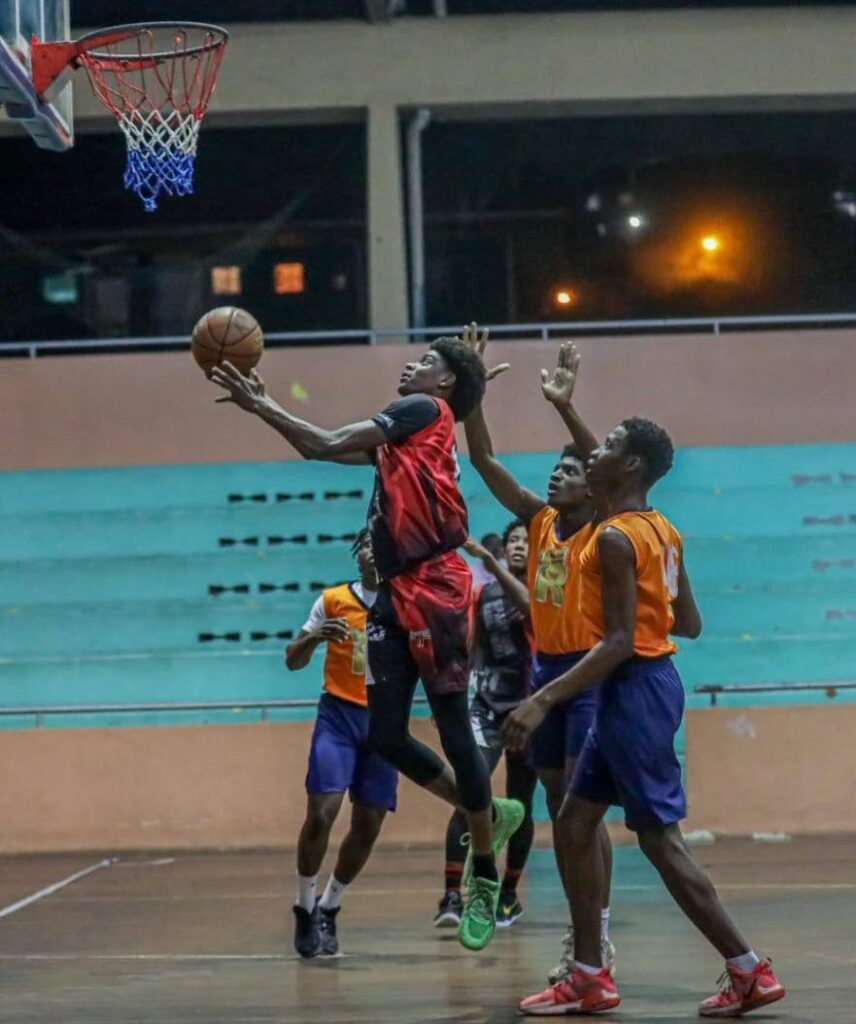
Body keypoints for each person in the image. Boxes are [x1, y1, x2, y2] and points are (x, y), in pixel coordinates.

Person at [208, 336, 523, 953]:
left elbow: (324, 440)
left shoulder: (424, 413)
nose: (412, 365)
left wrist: (261, 405)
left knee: (454, 727)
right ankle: (483, 808)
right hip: (395, 591)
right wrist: (268, 405)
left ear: (445, 385)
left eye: (427, 361)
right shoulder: (404, 443)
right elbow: (315, 448)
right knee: (385, 735)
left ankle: (483, 870)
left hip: (435, 582)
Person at [504, 418, 786, 1017]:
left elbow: (619, 642)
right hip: (641, 687)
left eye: (607, 447)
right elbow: (689, 623)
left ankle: (748, 970)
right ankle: (589, 975)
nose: (593, 451)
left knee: (659, 840)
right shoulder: (661, 530)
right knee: (576, 822)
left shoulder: (612, 539)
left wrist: (542, 698)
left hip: (632, 688)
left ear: (629, 466)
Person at [462, 331, 614, 980]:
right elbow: (485, 457)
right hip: (546, 671)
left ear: (593, 489)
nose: (558, 474)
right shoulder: (538, 519)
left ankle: (595, 941)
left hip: (588, 672)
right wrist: (472, 394)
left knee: (581, 813)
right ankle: (585, 939)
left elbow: (606, 464)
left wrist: (564, 406)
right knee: (559, 812)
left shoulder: (605, 525)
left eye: (571, 471)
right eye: (556, 468)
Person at [285, 530, 395, 959]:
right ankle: (304, 904)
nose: (372, 552)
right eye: (366, 545)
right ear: (357, 554)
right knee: (323, 812)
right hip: (339, 716)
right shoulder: (332, 600)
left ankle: (330, 905)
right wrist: (314, 638)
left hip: (385, 721)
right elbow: (292, 660)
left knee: (368, 824)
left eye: (379, 545)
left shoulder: (401, 603)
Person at [435, 522, 538, 930]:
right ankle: (451, 895)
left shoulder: (544, 592)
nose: (518, 546)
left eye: (527, 542)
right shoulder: (484, 593)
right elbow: (471, 646)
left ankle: (509, 896)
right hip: (487, 707)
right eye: (513, 540)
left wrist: (494, 564)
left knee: (522, 802)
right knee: (471, 790)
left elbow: (533, 612)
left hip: (530, 709)